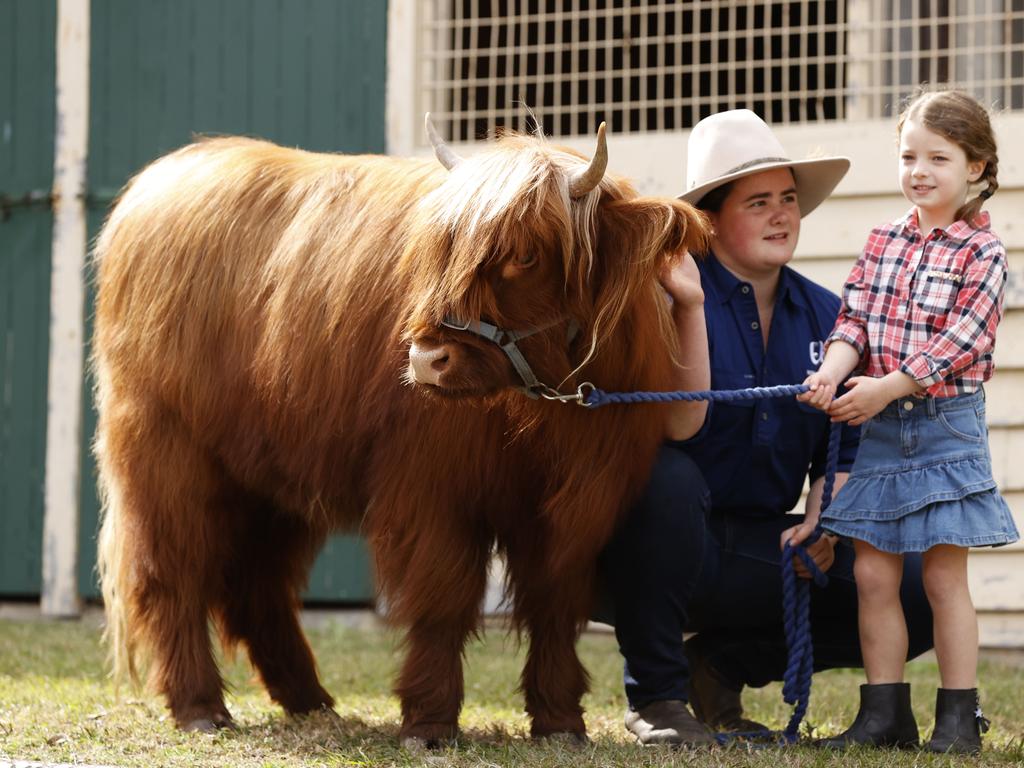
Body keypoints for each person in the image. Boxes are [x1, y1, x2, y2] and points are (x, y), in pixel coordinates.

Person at [596, 109, 935, 747]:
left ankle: (719, 668)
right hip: (643, 548)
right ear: (711, 219)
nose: (782, 215)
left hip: (760, 547)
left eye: (788, 199)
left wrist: (823, 516)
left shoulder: (829, 315)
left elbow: (852, 440)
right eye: (758, 202)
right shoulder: (658, 295)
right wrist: (690, 306)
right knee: (665, 479)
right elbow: (678, 425)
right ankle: (658, 699)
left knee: (913, 586)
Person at [801, 90, 1019, 755]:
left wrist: (886, 387)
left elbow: (963, 340)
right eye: (908, 156)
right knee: (872, 574)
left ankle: (958, 719)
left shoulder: (984, 254)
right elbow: (855, 319)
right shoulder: (883, 241)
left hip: (944, 423)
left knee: (942, 576)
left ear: (976, 169)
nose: (919, 170)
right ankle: (885, 714)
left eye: (938, 158)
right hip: (884, 427)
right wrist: (835, 371)